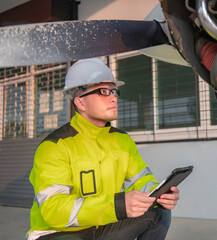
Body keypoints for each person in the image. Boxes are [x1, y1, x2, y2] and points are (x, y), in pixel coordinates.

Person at [27, 58, 180, 240]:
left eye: (114, 91)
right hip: (58, 233)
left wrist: (160, 194)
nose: (113, 97)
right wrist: (117, 206)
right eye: (103, 91)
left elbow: (143, 181)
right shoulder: (54, 147)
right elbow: (54, 210)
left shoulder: (122, 141)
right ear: (80, 102)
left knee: (158, 213)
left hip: (101, 228)